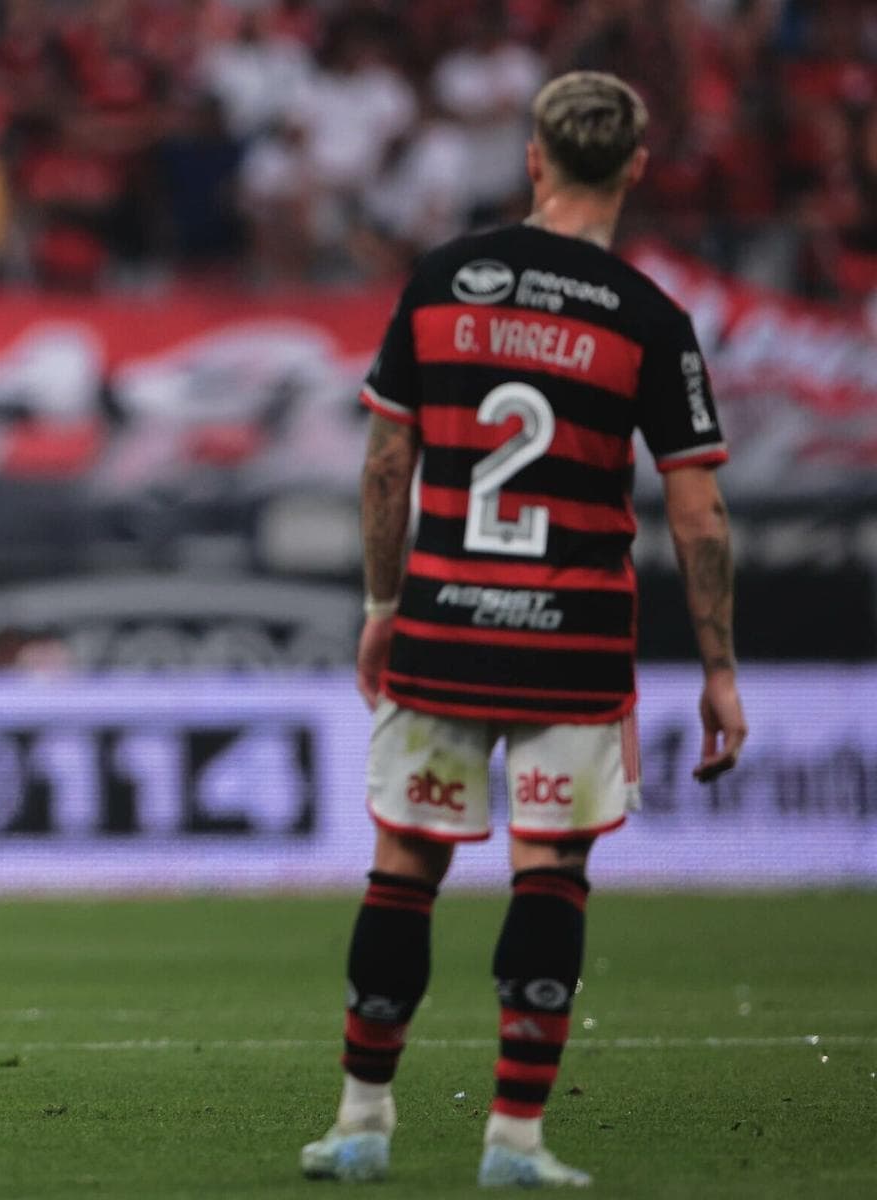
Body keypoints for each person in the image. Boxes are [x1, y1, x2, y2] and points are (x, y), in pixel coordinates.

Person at [300, 71, 747, 1188]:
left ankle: (361, 1124)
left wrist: (380, 609)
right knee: (549, 872)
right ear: (636, 168)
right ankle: (513, 1140)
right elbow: (698, 510)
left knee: (403, 865)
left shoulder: (444, 281)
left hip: (444, 623)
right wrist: (721, 670)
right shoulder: (649, 318)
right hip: (573, 641)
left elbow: (387, 462)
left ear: (534, 157)